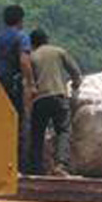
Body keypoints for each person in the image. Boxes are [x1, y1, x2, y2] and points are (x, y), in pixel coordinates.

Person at [29, 28, 82, 176]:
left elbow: (29, 81)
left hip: (40, 99)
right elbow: (75, 72)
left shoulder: (32, 57)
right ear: (47, 39)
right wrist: (76, 84)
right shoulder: (59, 52)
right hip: (59, 96)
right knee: (63, 130)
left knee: (37, 133)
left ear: (33, 43)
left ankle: (36, 168)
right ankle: (61, 165)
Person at [0, 5, 36, 173]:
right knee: (16, 122)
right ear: (20, 20)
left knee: (1, 124)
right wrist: (31, 84)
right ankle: (14, 166)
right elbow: (24, 61)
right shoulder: (21, 37)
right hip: (13, 84)